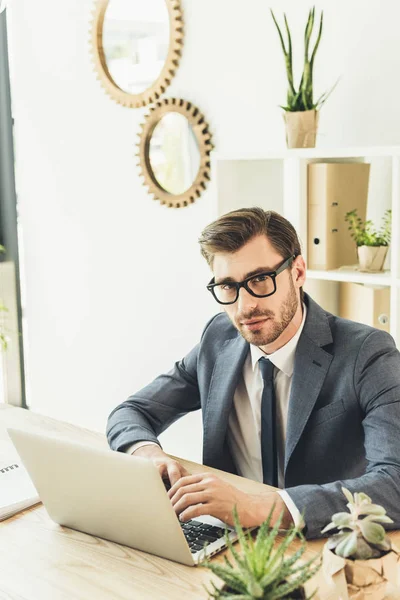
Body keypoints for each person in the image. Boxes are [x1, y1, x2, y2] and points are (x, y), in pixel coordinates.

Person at [107, 207, 400, 539]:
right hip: (227, 541)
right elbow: (131, 412)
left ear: (299, 272)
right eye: (228, 287)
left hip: (321, 546)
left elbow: (394, 483)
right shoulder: (218, 339)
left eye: (260, 279)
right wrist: (147, 453)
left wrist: (259, 507)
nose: (245, 306)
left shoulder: (368, 353)